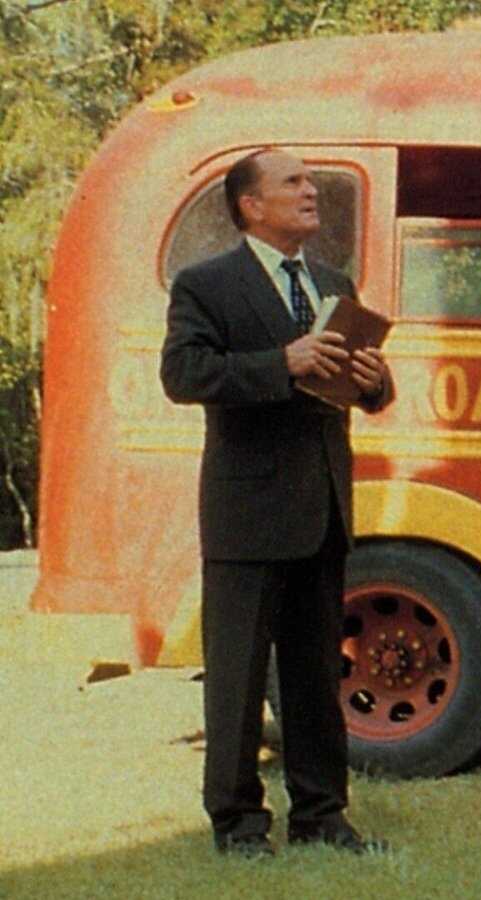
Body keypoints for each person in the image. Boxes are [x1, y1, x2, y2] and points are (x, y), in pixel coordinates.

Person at [160, 149, 394, 857]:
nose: (310, 190)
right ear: (251, 205)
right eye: (293, 181)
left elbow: (357, 391)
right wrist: (280, 363)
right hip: (247, 514)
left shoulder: (332, 283)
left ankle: (323, 815)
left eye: (310, 180)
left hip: (323, 507)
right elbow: (183, 374)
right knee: (236, 680)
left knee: (316, 676)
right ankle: (238, 824)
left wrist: (374, 381)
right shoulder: (205, 285)